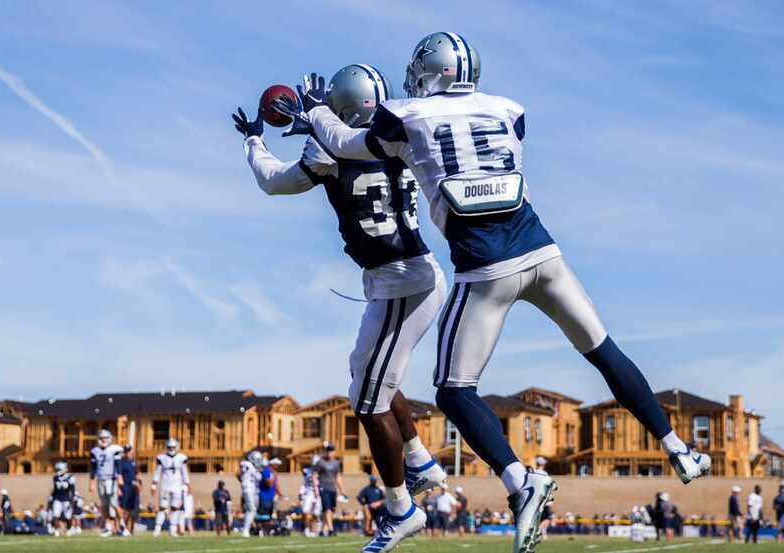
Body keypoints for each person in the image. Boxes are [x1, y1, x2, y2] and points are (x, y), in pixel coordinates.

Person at [279, 30, 713, 553]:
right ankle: (678, 447)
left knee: (453, 390)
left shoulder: (406, 114)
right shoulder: (510, 108)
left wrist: (318, 112)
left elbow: (352, 144)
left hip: (486, 270)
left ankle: (518, 480)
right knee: (602, 349)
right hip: (545, 254)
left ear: (430, 72)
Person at [234, 61, 448, 553]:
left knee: (368, 401)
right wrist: (316, 120)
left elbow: (275, 181)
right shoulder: (401, 132)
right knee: (365, 373)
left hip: (403, 283)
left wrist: (255, 140)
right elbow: (346, 139)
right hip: (399, 277)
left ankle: (400, 510)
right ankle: (420, 460)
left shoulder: (329, 147)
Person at [150, 438, 189, 538]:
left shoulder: (181, 457)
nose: (171, 449)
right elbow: (157, 472)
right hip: (165, 486)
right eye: (169, 447)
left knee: (175, 508)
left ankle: (172, 529)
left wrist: (187, 484)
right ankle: (157, 529)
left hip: (177, 486)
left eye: (173, 447)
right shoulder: (162, 457)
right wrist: (154, 485)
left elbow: (184, 472)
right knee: (162, 508)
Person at [89, 429, 123, 537]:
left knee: (114, 504)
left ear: (109, 438)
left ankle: (122, 525)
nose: (103, 440)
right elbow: (93, 468)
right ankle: (108, 527)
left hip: (111, 479)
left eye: (105, 438)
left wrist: (119, 477)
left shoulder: (114, 449)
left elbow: (118, 465)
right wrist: (91, 482)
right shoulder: (95, 451)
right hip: (101, 479)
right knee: (104, 505)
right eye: (101, 438)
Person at [316, 444, 346, 537]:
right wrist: (316, 489)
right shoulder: (320, 462)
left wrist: (342, 490)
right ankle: (331, 530)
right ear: (326, 451)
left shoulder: (336, 463)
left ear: (334, 452)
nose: (329, 452)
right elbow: (314, 475)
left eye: (331, 450)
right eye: (328, 450)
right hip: (323, 488)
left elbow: (338, 477)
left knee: (332, 510)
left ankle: (322, 530)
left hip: (333, 489)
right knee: (327, 509)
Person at [238, 450, 263, 538]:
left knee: (253, 511)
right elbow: (239, 472)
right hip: (249, 490)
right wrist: (244, 481)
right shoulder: (247, 464)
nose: (259, 462)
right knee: (251, 510)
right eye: (258, 460)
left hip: (254, 491)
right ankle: (245, 530)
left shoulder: (255, 469)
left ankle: (250, 529)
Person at [119, 444, 141, 536]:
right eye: (127, 451)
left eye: (130, 451)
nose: (128, 453)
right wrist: (119, 488)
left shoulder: (133, 462)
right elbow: (119, 476)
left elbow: (137, 474)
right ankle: (123, 528)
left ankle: (131, 529)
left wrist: (139, 483)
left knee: (133, 510)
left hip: (134, 489)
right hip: (125, 488)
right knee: (125, 509)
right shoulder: (121, 462)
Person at [49, 461, 75, 536]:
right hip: (57, 499)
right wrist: (52, 499)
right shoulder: (55, 477)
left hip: (66, 499)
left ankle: (69, 529)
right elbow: (55, 489)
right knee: (56, 515)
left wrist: (71, 501)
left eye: (59, 469)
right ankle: (57, 530)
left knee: (68, 516)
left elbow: (72, 490)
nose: (58, 471)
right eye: (57, 469)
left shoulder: (70, 477)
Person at [299, 458, 321, 537]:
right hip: (309, 493)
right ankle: (306, 529)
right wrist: (301, 492)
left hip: (318, 494)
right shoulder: (307, 471)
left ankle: (313, 530)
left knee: (316, 513)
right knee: (306, 511)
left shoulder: (321, 471)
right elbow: (304, 482)